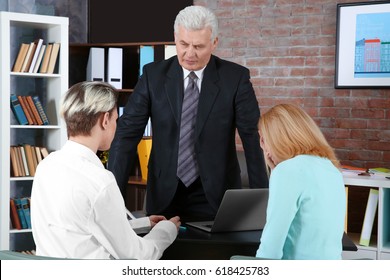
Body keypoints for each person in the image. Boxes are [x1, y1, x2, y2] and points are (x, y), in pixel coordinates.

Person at [108, 5, 269, 221]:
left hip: (216, 194)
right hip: (164, 192)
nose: (189, 54)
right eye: (183, 44)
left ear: (214, 43)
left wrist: (263, 204)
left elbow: (253, 139)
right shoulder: (152, 76)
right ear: (175, 37)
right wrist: (113, 198)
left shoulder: (235, 79)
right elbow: (126, 135)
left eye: (199, 46)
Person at [31, 81, 180, 259]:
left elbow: (77, 228)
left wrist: (142, 223)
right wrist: (166, 231)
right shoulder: (100, 181)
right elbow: (138, 257)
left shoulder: (47, 165)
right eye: (116, 119)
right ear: (105, 119)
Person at [256, 103, 346, 260]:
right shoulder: (331, 168)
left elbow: (270, 250)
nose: (265, 149)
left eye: (264, 140)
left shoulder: (287, 171)